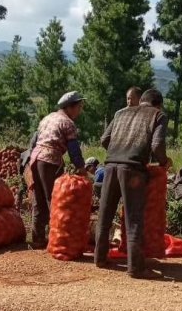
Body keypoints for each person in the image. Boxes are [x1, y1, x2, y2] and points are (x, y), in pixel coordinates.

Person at [94, 89, 168, 278]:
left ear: (142, 100)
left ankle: (100, 258)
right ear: (157, 104)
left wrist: (117, 152)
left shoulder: (120, 113)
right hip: (133, 170)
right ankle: (136, 267)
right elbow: (157, 145)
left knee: (105, 214)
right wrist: (163, 162)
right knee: (134, 217)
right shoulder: (158, 115)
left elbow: (104, 139)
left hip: (110, 166)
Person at [29, 91, 87, 248]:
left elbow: (33, 140)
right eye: (79, 107)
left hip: (35, 159)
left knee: (39, 199)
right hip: (50, 161)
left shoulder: (48, 118)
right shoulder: (67, 123)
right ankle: (57, 240)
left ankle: (38, 238)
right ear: (70, 107)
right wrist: (81, 168)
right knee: (55, 200)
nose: (79, 111)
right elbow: (74, 149)